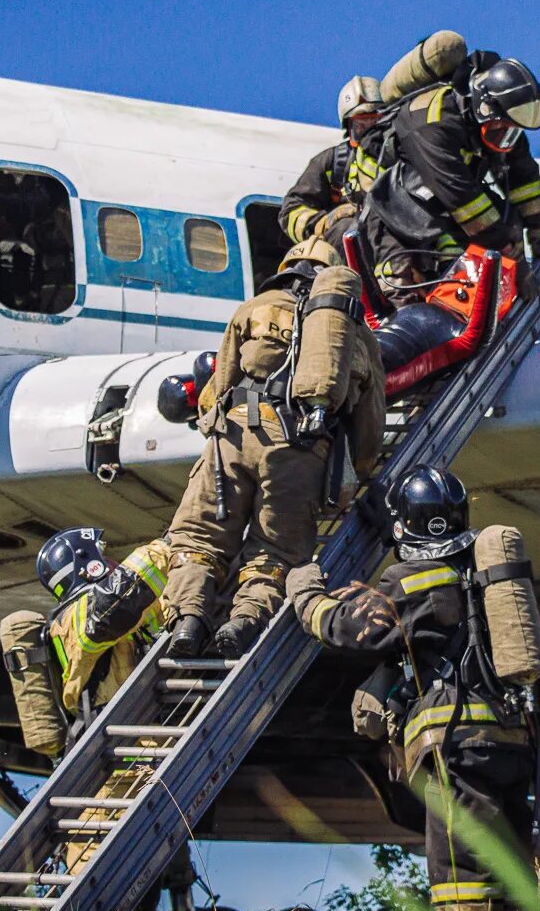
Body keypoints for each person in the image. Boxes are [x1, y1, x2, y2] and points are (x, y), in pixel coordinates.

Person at [286, 466, 536, 911]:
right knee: (510, 864)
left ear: (403, 528)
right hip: (509, 740)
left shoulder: (413, 579)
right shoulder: (483, 574)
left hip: (455, 746)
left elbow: (352, 629)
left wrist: (305, 595)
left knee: (459, 876)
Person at [162, 243, 385, 659]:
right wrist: (363, 471)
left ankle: (189, 620)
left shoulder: (256, 307)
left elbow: (219, 382)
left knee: (199, 539)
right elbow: (369, 422)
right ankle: (241, 624)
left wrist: (216, 433)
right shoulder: (357, 336)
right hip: (298, 449)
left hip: (231, 437)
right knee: (274, 554)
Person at [359, 55, 540, 309]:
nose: (506, 137)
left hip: (441, 215)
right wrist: (514, 259)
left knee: (497, 229)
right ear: (485, 107)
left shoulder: (499, 119)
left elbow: (523, 175)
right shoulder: (431, 121)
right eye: (503, 129)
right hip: (394, 212)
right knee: (400, 294)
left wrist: (538, 232)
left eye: (513, 131)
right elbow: (463, 199)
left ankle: (478, 309)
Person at [0, 526, 172, 760]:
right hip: (131, 764)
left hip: (138, 752)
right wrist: (172, 541)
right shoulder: (75, 619)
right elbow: (124, 594)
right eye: (104, 557)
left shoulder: (87, 621)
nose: (114, 563)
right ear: (88, 566)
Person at [280, 76, 385, 247]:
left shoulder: (402, 158)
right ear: (349, 129)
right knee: (347, 228)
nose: (370, 135)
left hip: (395, 245)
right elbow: (291, 211)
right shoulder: (332, 164)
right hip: (347, 253)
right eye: (360, 127)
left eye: (376, 124)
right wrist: (324, 222)